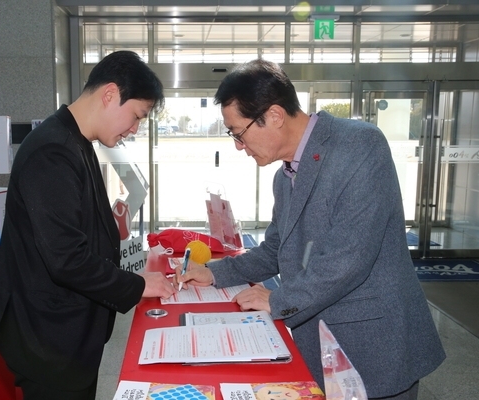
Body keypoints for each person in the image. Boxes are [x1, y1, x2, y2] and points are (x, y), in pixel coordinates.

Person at [177, 59, 445, 399]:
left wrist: (278, 299)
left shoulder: (359, 146)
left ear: (273, 116)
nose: (238, 146)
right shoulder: (284, 176)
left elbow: (349, 258)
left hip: (374, 345)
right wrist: (214, 274)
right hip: (318, 343)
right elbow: (276, 249)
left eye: (239, 133)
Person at [0, 50, 175, 399]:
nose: (134, 128)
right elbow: (66, 258)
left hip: (65, 329)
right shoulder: (52, 151)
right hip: (47, 337)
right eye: (136, 116)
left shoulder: (76, 142)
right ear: (110, 94)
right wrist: (136, 284)